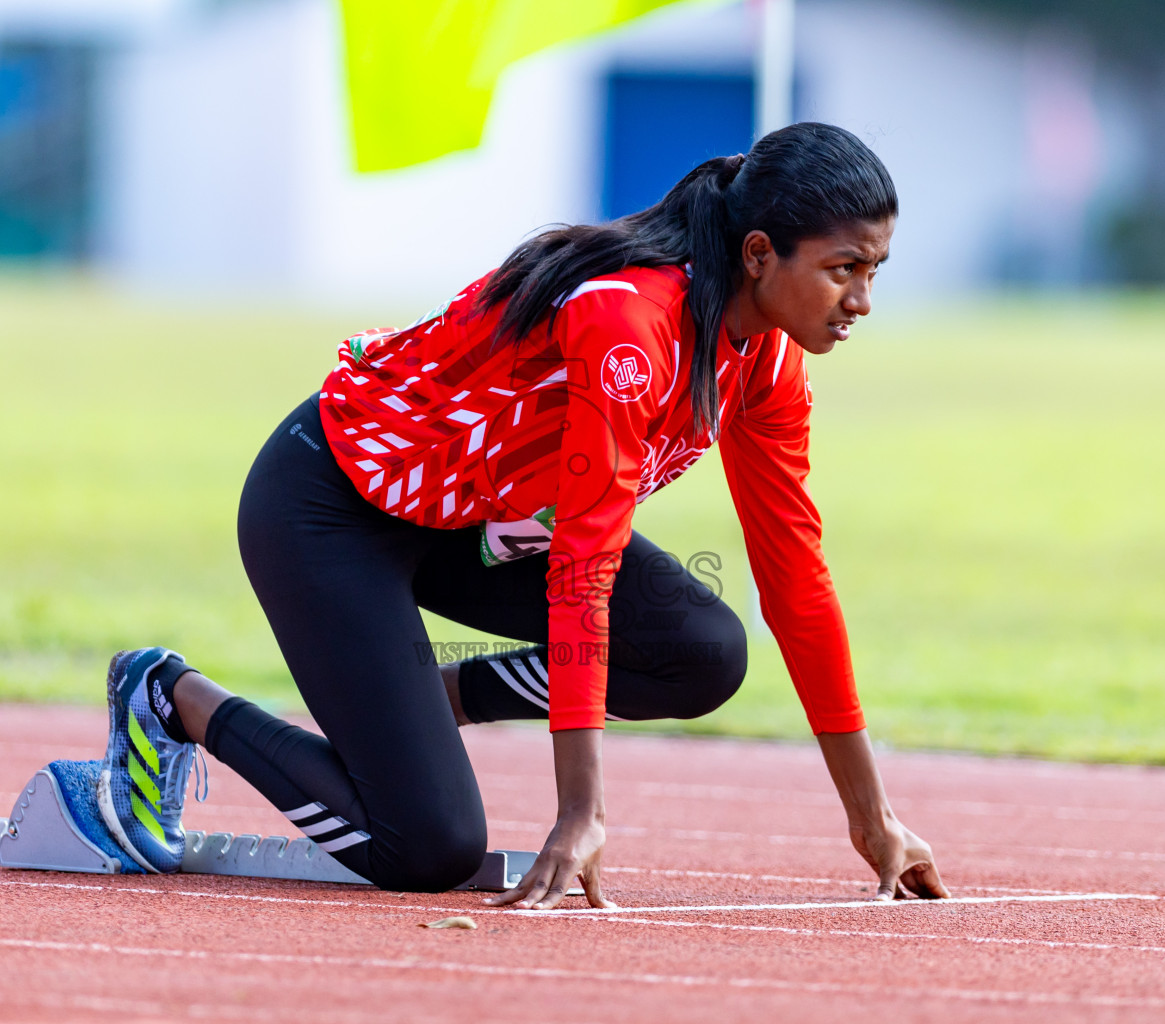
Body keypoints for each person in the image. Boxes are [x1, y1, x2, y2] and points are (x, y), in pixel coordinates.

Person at [96, 121, 948, 910]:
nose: (863, 299)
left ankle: (411, 707)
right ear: (760, 254)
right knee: (429, 850)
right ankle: (171, 697)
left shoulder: (767, 366)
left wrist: (871, 817)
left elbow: (796, 582)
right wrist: (581, 810)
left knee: (701, 652)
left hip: (472, 530)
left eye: (876, 271)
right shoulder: (629, 326)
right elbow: (585, 562)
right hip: (332, 505)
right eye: (845, 268)